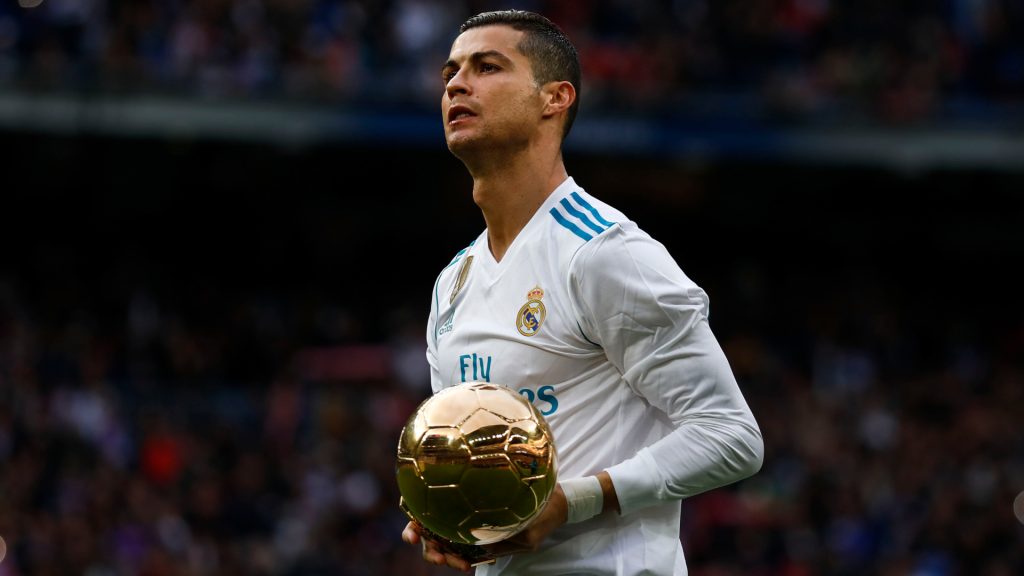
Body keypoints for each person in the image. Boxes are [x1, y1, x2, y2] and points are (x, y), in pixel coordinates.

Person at [401, 9, 763, 575]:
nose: (456, 84)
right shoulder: (452, 284)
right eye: (451, 72)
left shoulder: (605, 252)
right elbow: (466, 458)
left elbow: (731, 436)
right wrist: (445, 518)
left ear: (555, 98)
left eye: (487, 67)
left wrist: (571, 503)